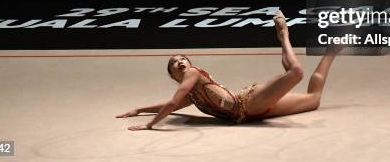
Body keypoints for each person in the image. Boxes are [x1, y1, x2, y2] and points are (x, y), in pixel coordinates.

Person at [116, 10, 341, 130]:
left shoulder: (193, 74)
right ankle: (331, 52)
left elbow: (173, 103)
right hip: (251, 116)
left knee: (296, 73)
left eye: (183, 58)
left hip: (249, 103)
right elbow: (173, 106)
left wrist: (149, 124)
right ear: (173, 75)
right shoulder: (194, 95)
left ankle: (283, 34)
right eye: (175, 63)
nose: (181, 62)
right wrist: (140, 109)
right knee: (314, 100)